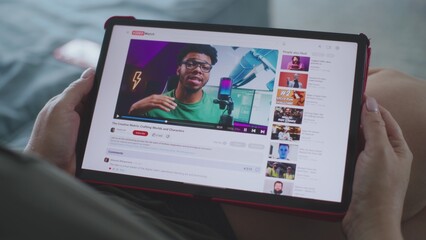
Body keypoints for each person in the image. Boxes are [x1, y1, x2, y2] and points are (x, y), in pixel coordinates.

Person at [1, 68, 423, 240]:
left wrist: (42, 167)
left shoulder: (223, 103)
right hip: (147, 221)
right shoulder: (157, 100)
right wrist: (375, 223)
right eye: (191, 65)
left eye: (205, 65)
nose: (198, 71)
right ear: (180, 71)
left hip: (83, 189)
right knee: (402, 104)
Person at [128, 44, 223, 124]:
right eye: (190, 64)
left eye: (205, 67)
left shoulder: (220, 109)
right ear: (178, 70)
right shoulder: (153, 106)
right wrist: (134, 109)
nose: (198, 70)